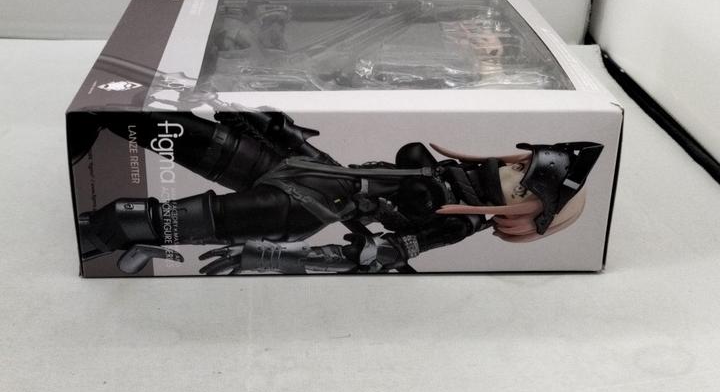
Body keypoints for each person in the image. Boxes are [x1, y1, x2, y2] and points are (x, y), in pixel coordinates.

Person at [77, 109, 602, 274]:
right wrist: (281, 132)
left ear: (522, 211)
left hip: (300, 207)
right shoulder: (449, 173)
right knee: (160, 123)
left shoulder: (456, 223)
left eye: (522, 181)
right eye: (519, 166)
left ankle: (90, 242)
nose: (510, 171)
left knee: (135, 219)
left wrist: (268, 256)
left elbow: (376, 255)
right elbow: (357, 171)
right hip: (306, 168)